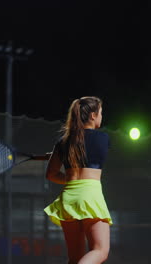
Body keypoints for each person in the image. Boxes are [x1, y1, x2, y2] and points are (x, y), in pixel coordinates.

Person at [44, 96, 112, 264]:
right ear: (93, 116)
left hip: (69, 198)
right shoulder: (103, 138)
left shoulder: (63, 142)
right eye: (101, 113)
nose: (102, 117)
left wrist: (55, 155)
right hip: (90, 196)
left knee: (75, 258)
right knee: (100, 251)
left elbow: (51, 174)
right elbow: (89, 151)